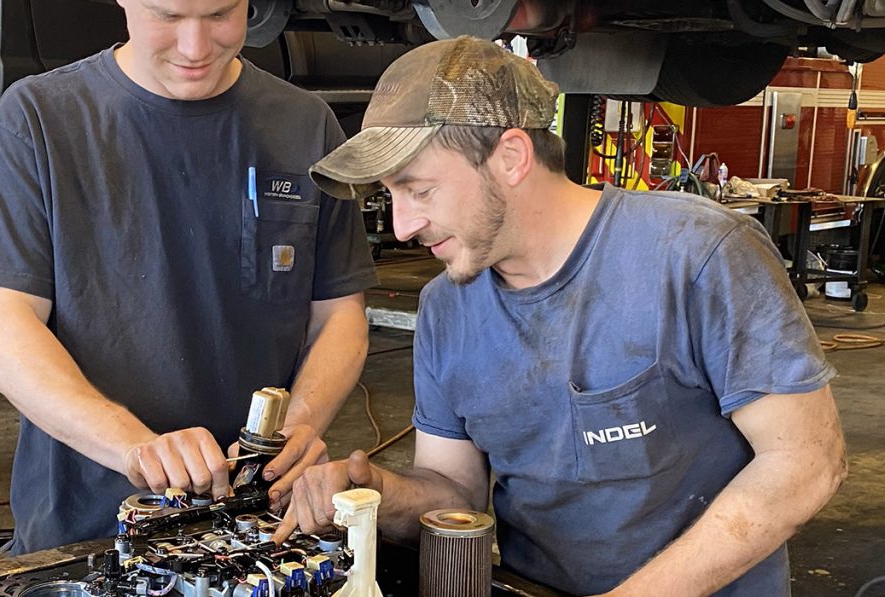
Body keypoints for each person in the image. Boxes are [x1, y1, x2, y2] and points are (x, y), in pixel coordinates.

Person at [273, 36, 847, 596]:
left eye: (419, 190)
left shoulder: (697, 254)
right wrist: (378, 493)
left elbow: (805, 463)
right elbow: (455, 494)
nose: (400, 226)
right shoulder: (447, 308)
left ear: (513, 157)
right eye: (389, 197)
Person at [0, 0, 377, 554]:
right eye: (168, 17)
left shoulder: (304, 124)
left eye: (222, 16)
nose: (196, 47)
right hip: (92, 530)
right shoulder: (39, 119)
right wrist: (135, 447)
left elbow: (340, 315)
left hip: (259, 526)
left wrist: (300, 422)